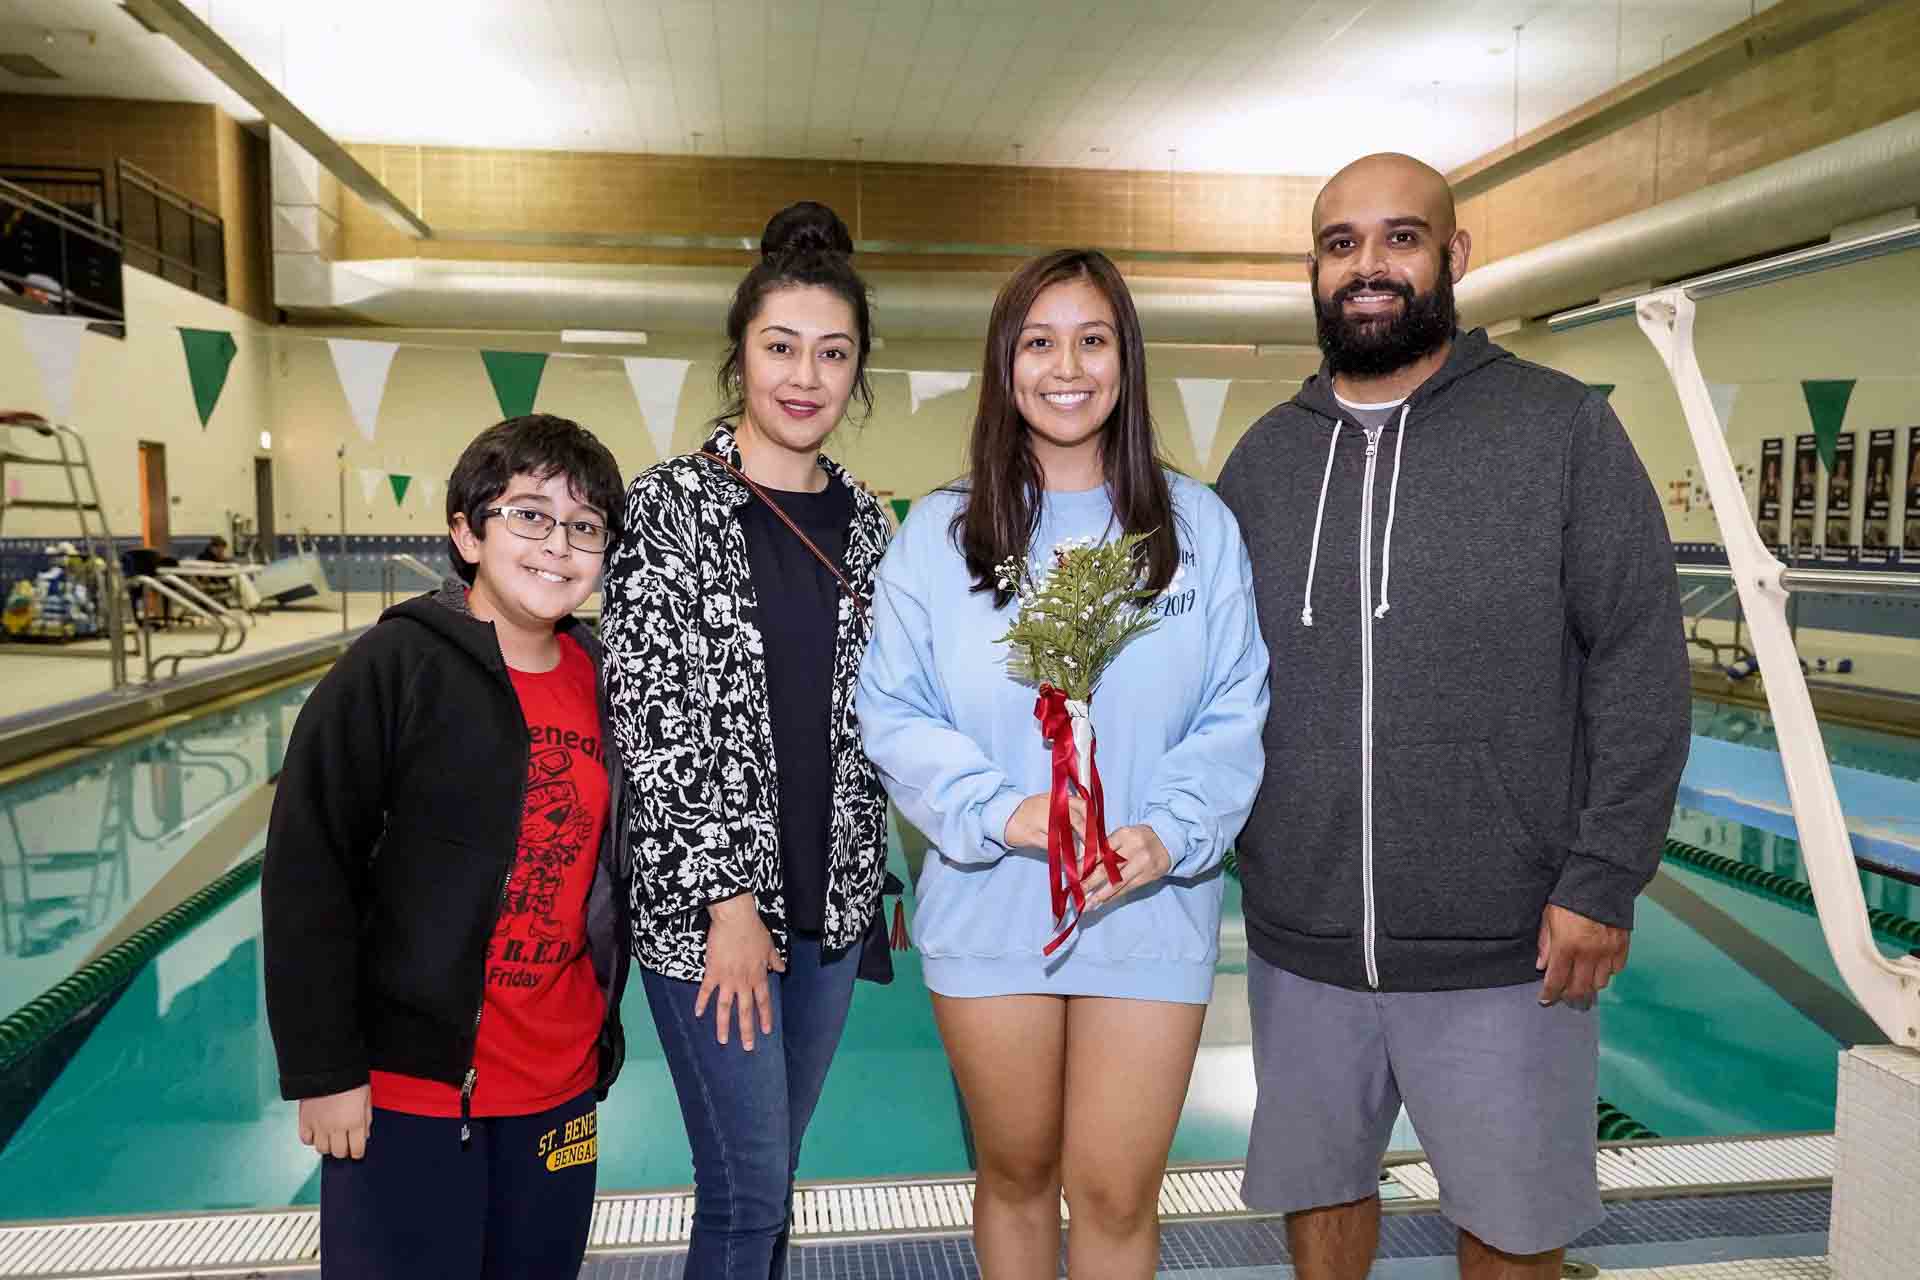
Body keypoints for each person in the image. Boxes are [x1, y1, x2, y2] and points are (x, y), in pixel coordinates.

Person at [1215, 153, 1690, 1280]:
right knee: (1321, 1193)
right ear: (1313, 270)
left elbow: (1639, 658)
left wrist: (1602, 876)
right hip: (1304, 938)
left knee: (1514, 1228)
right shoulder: (1265, 461)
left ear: (1454, 254)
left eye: (1401, 237)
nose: (1368, 265)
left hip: (1509, 943)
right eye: (1341, 244)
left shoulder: (1559, 430)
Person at [857, 248, 1269, 1279]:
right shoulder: (940, 536)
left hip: (1151, 906)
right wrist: (1003, 811)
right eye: (1039, 342)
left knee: (1119, 1192)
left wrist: (1168, 832)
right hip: (991, 904)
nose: (1067, 366)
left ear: (1126, 359)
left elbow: (1235, 708)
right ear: (1005, 364)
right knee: (1016, 1175)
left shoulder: (1198, 529)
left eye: (1093, 339)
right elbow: (894, 710)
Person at [262, 414, 630, 1280]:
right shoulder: (394, 667)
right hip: (409, 1088)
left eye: (584, 525)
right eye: (529, 515)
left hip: (558, 1081)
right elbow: (310, 867)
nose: (558, 545)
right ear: (468, 534)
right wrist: (324, 1070)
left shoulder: (606, 679)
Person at [600, 201, 894, 1280]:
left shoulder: (870, 525)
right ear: (740, 357)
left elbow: (885, 714)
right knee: (745, 1188)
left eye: (833, 352)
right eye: (781, 347)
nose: (804, 376)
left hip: (831, 910)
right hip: (714, 918)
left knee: (772, 1178)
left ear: (857, 371)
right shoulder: (670, 506)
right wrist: (727, 904)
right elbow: (651, 718)